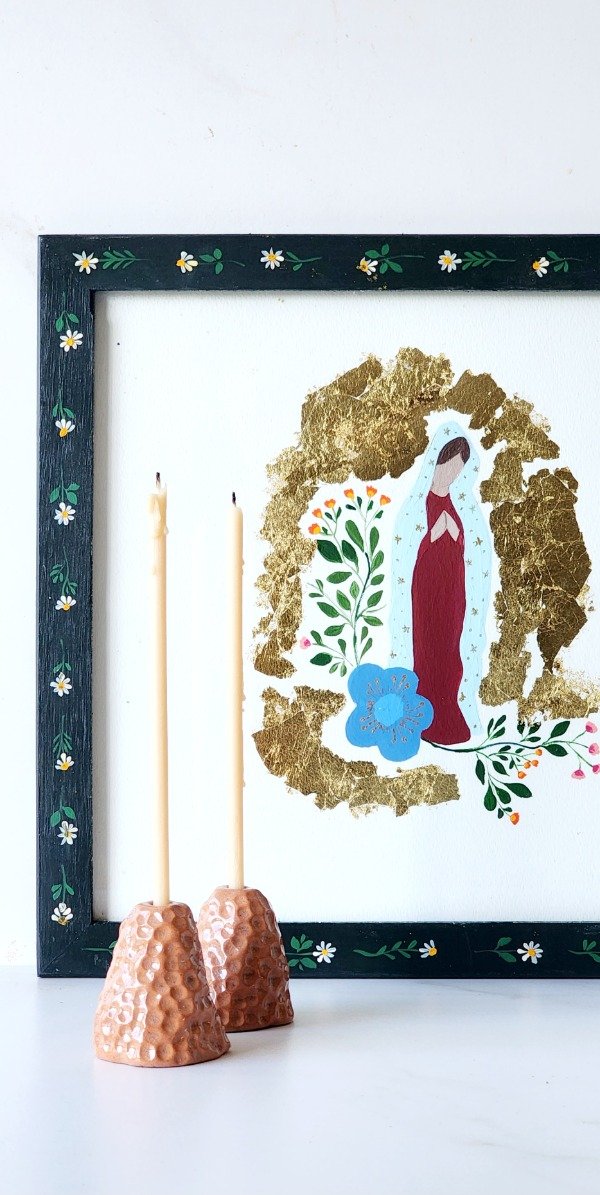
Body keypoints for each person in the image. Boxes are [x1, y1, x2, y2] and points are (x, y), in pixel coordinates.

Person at [411, 437, 471, 745]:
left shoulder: (450, 501)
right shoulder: (427, 500)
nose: (452, 473)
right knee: (433, 645)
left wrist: (452, 531)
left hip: (451, 588)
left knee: (450, 646)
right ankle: (430, 716)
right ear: (438, 463)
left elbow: (457, 542)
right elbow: (424, 541)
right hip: (431, 585)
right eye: (449, 466)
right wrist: (439, 532)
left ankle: (447, 711)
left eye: (458, 469)